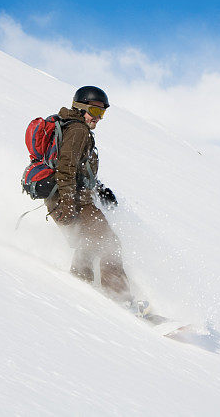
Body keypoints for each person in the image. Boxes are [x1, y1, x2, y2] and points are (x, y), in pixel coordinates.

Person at [45, 86, 132, 303]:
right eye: (95, 112)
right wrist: (67, 206)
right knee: (109, 242)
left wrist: (100, 189)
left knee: (90, 242)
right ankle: (121, 298)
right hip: (73, 202)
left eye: (102, 113)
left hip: (75, 200)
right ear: (81, 107)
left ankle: (80, 283)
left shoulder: (74, 128)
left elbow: (78, 169)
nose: (99, 118)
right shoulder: (78, 131)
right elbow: (65, 170)